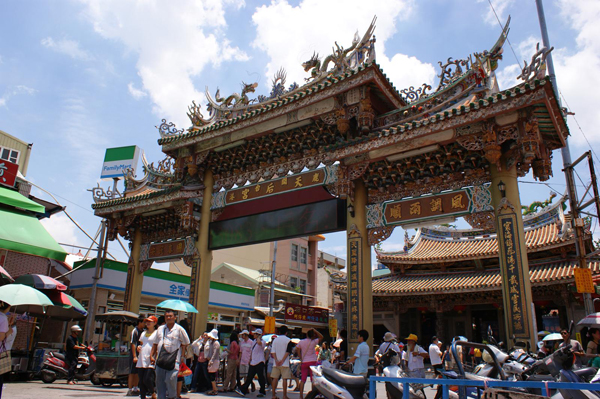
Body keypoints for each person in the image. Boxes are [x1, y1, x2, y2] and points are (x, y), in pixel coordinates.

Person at [151, 310, 190, 399]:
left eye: (170, 316)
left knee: (171, 379)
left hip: (174, 359)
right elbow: (155, 343)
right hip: (161, 359)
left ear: (175, 317)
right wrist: (151, 356)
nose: (169, 318)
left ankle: (172, 396)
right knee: (159, 382)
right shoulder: (160, 329)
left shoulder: (179, 329)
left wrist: (182, 356)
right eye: (167, 316)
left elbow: (185, 343)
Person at [236, 329, 267, 397]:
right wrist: (250, 359)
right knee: (249, 376)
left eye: (255, 334)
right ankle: (243, 389)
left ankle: (262, 391)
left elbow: (260, 343)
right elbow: (252, 351)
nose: (253, 335)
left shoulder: (263, 342)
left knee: (260, 377)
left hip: (260, 361)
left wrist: (259, 337)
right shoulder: (253, 342)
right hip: (253, 362)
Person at [297, 328, 323, 399]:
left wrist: (300, 357)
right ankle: (312, 396)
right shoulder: (314, 342)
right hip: (312, 362)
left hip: (304, 361)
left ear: (306, 335)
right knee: (313, 380)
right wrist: (315, 330)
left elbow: (297, 348)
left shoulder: (301, 342)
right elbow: (321, 337)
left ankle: (301, 396)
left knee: (303, 380)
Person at [137, 316, 158, 399]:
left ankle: (153, 392)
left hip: (151, 357)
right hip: (142, 357)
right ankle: (143, 397)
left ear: (155, 323)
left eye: (150, 321)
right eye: (147, 321)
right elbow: (142, 343)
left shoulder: (157, 333)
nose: (148, 323)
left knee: (147, 378)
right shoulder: (143, 333)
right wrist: (138, 347)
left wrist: (155, 355)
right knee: (141, 381)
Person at [270, 326, 294, 399]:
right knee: (285, 379)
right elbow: (288, 352)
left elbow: (273, 351)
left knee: (275, 378)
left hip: (276, 363)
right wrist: (282, 360)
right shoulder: (288, 340)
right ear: (286, 332)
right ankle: (284, 395)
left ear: (279, 332)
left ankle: (273, 395)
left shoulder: (275, 340)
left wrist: (276, 360)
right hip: (285, 363)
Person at [128, 317, 145, 396]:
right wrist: (134, 356)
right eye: (144, 322)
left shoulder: (144, 332)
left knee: (138, 372)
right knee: (132, 372)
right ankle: (130, 389)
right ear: (140, 322)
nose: (145, 324)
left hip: (141, 354)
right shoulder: (135, 331)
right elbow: (133, 343)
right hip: (134, 354)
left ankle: (136, 387)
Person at [205, 329, 221, 395]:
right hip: (212, 360)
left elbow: (215, 353)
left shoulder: (216, 343)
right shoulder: (211, 342)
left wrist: (211, 360)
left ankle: (215, 389)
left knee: (212, 375)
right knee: (211, 375)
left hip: (214, 360)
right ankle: (214, 389)